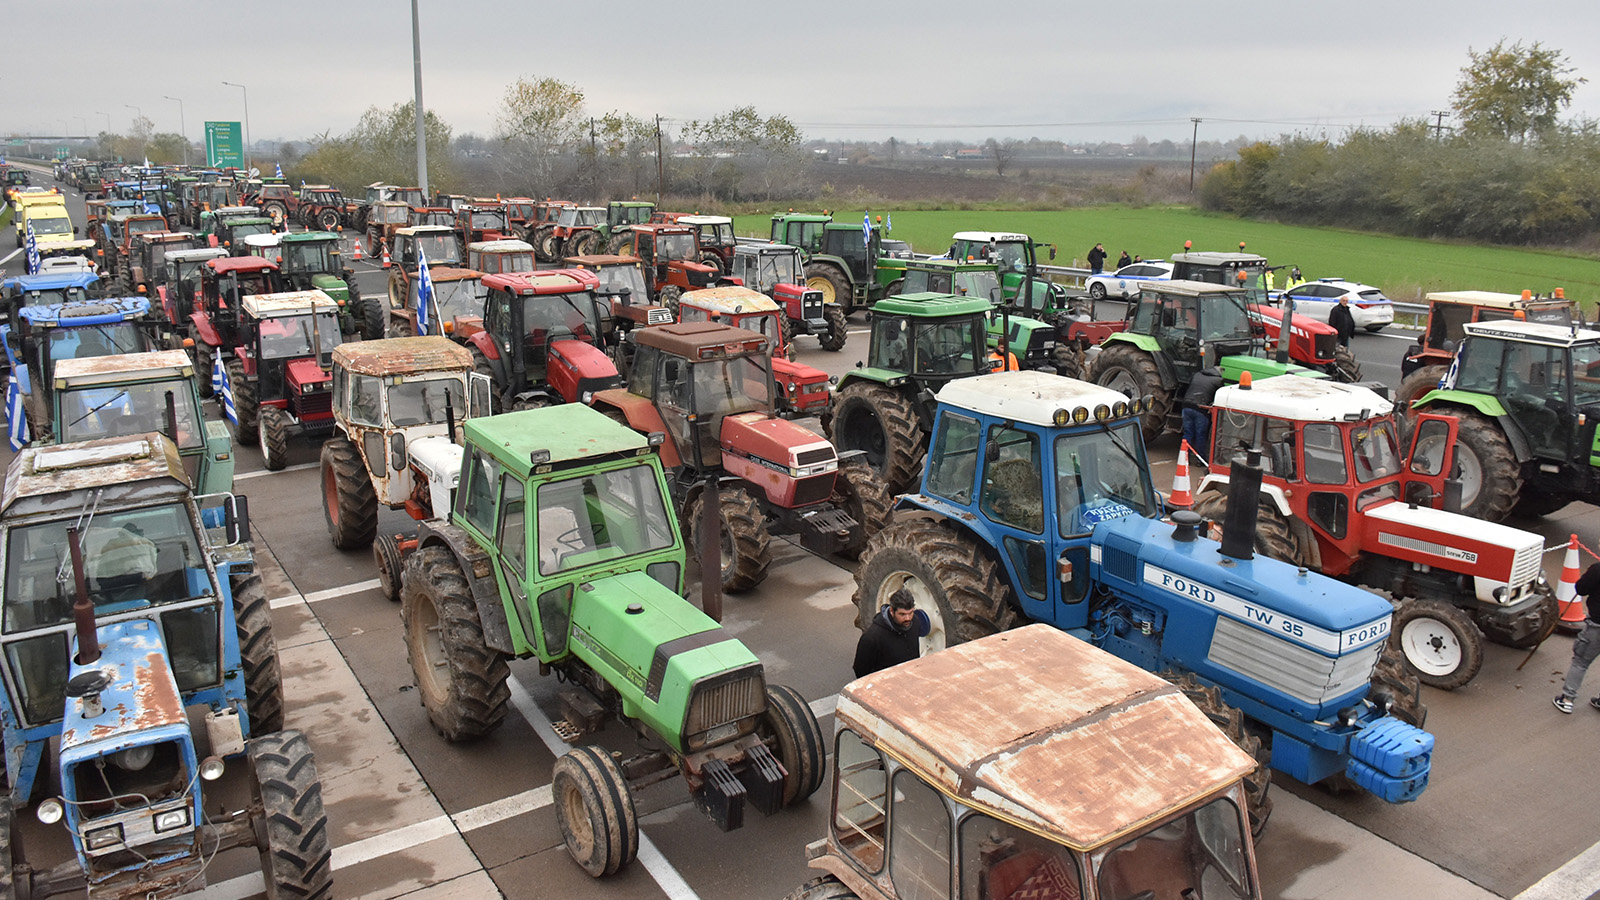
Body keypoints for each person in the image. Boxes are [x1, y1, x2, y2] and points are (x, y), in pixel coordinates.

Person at [1555, 563, 1600, 713]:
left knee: (1580, 662)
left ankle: (1567, 699)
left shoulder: (1597, 569)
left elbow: (1581, 589)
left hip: (1597, 625)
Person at [853, 588, 920, 678]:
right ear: (892, 611)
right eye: (902, 614)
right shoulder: (872, 638)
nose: (908, 618)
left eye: (910, 613)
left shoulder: (915, 622)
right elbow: (861, 670)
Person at [1181, 367, 1224, 461]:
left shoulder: (1197, 375)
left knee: (1188, 433)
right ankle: (1200, 459)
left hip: (1186, 406)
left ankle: (1183, 457)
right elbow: (1219, 396)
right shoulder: (1218, 380)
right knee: (1200, 434)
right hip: (1200, 409)